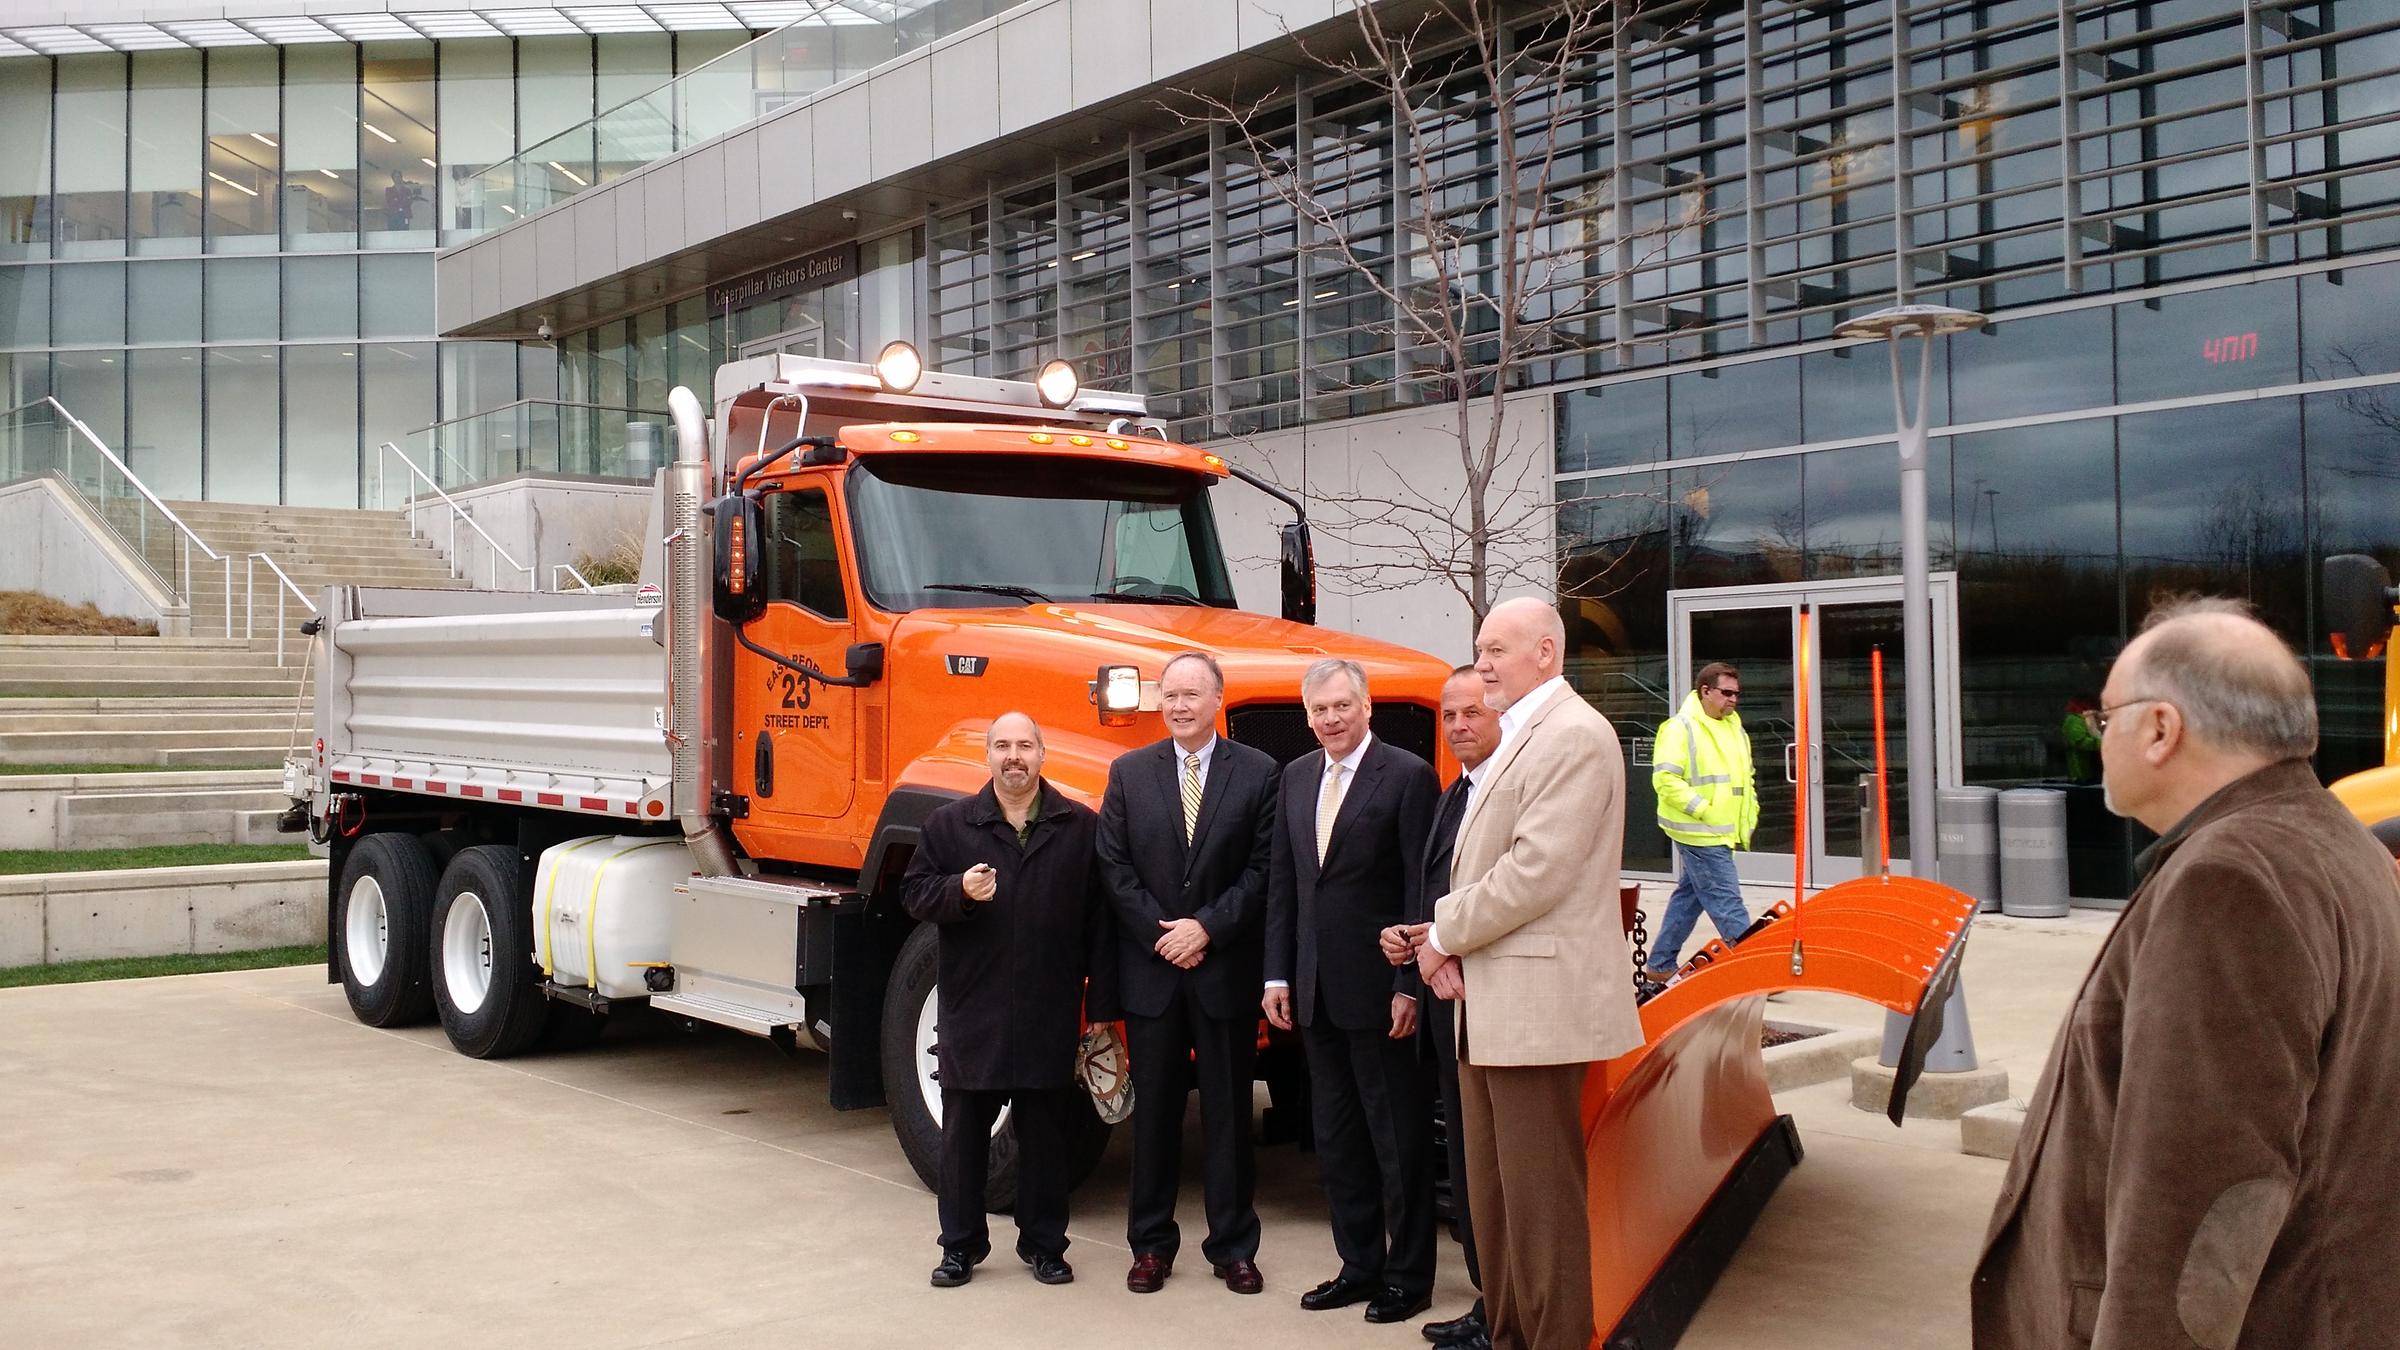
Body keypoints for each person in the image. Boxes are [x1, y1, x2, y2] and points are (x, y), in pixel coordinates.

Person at [1972, 597, 2400, 1347]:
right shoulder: (2337, 842)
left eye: (2106, 719)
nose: (2098, 738)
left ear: (2161, 729)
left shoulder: (2230, 880)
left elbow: (2199, 1204)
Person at [1390, 597, 1641, 1350]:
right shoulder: (1523, 736)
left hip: (1537, 1011)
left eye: (1496, 650)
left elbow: (1536, 871)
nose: (1484, 664)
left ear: (1545, 652)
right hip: (1493, 1005)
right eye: (1480, 649)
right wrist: (1444, 941)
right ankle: (1508, 1336)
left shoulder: (1573, 736)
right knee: (1497, 1202)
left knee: (1540, 1206)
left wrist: (1442, 933)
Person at [899, 712, 1108, 1289]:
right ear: (987, 756)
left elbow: (1099, 924)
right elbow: (913, 893)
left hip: (1048, 1007)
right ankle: (960, 1247)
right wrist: (958, 890)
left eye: (1024, 746)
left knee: (1045, 1138)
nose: (1013, 757)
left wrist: (1103, 1009)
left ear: (1042, 754)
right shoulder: (949, 825)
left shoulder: (1079, 827)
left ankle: (1045, 1246)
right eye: (1002, 746)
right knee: (964, 1138)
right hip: (974, 1008)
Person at [1264, 658, 1441, 1325]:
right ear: (1307, 717)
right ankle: (1358, 1266)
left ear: (1367, 707)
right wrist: (1277, 974)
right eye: (1320, 709)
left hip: (1383, 996)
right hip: (1315, 993)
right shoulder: (1295, 777)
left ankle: (1409, 1277)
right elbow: (1285, 884)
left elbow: (1421, 887)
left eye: (1342, 705)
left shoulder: (1408, 776)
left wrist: (1409, 984)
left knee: (1396, 1140)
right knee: (1337, 1141)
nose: (1331, 718)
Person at [1096, 651, 1279, 1297]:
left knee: (1229, 1116)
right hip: (1154, 975)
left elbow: (1263, 868)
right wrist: (1163, 937)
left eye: (1192, 695)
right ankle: (1150, 1246)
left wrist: (1206, 928)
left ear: (1217, 699)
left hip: (1223, 971)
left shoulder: (1258, 772)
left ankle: (1234, 1248)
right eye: (1170, 694)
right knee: (1154, 1118)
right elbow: (1114, 867)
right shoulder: (1128, 772)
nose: (1179, 706)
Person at [1400, 664, 1503, 1350]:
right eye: (1450, 716)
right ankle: (1488, 1299)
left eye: (1472, 713)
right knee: (1468, 1160)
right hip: (1446, 1005)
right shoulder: (1452, 793)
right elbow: (1437, 890)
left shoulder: (1504, 793)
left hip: (1487, 1003)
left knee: (1494, 1166)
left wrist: (1446, 946)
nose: (1459, 726)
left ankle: (1502, 1308)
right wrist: (1415, 944)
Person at [1643, 661, 1758, 983]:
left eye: (1736, 694)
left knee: (1689, 899)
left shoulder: (1734, 727)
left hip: (1720, 831)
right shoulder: (1679, 728)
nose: (1733, 699)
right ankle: (1755, 965)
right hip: (1699, 832)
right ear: (1705, 691)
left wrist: (1750, 811)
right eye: (1726, 693)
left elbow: (1745, 777)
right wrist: (1703, 810)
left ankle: (1660, 964)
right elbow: (1665, 780)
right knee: (1727, 900)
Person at [2061, 694, 2102, 784]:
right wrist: (2103, 743)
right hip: (2082, 775)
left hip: (2094, 772)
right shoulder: (2074, 720)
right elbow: (2080, 742)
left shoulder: (2091, 718)